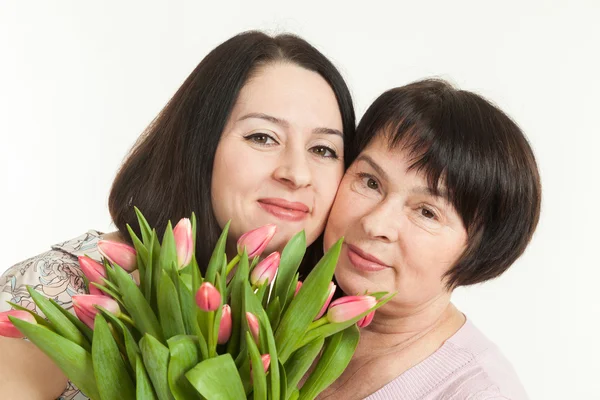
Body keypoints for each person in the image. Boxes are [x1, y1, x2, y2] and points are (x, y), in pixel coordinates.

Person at [0, 30, 356, 400]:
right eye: (263, 137)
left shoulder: (303, 335)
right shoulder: (58, 294)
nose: (297, 173)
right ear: (199, 145)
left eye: (323, 148)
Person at [320, 79, 541, 399]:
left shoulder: (478, 392)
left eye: (427, 212)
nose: (375, 224)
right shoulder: (278, 314)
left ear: (480, 250)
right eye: (370, 182)